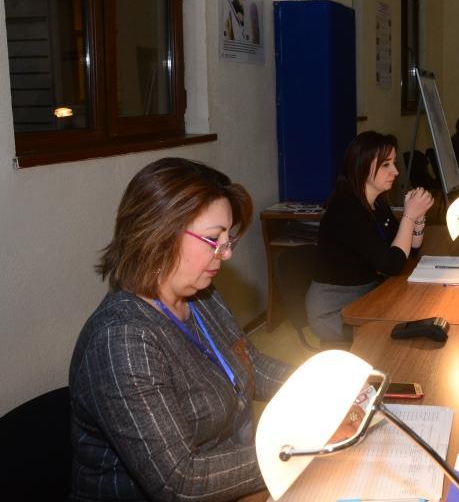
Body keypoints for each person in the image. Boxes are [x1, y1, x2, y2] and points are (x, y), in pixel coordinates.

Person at [69, 157, 294, 501]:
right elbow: (181, 482)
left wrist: (334, 388)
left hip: (228, 478)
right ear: (160, 234)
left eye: (227, 238)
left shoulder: (202, 295)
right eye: (213, 238)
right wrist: (297, 448)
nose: (227, 253)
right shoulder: (122, 340)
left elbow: (252, 366)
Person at [307, 131, 433, 342]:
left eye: (394, 163)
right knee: (396, 336)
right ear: (362, 166)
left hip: (366, 296)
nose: (395, 171)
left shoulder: (376, 203)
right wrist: (409, 216)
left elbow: (408, 251)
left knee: (417, 311)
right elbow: (392, 264)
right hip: (335, 311)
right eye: (386, 165)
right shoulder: (347, 209)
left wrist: (418, 218)